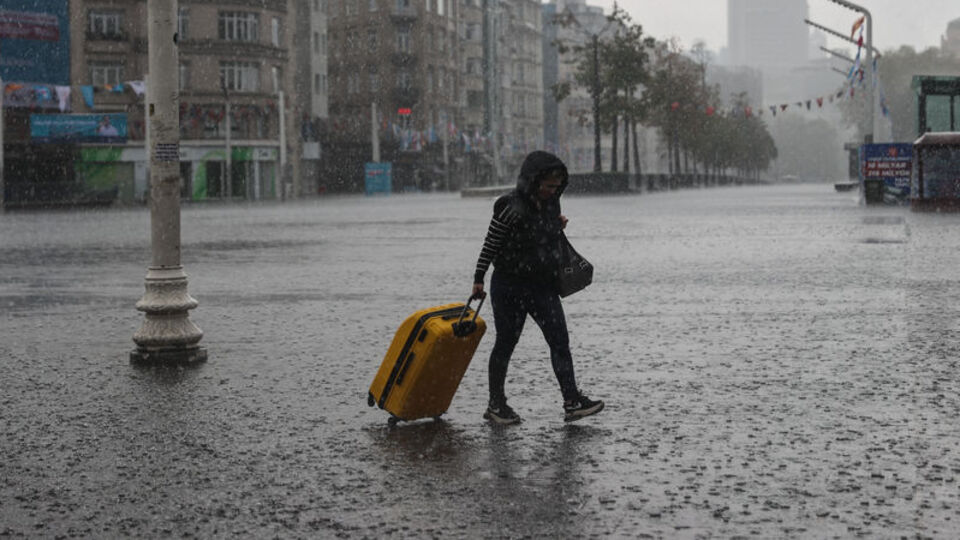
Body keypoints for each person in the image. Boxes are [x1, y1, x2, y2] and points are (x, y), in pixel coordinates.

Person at [472, 150, 604, 424]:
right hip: (509, 286)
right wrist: (478, 279)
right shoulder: (509, 206)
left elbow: (542, 237)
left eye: (557, 187)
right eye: (547, 186)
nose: (552, 191)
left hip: (542, 285)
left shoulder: (551, 204)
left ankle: (572, 401)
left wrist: (556, 225)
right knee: (506, 343)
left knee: (559, 342)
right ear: (532, 181)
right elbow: (491, 243)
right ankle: (496, 405)